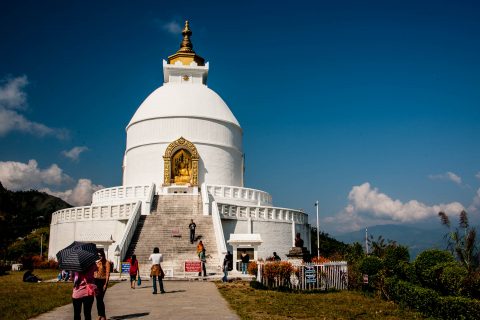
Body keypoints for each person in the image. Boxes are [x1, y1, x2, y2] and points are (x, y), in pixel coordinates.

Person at [94, 248, 111, 320]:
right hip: (96, 281)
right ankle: (100, 315)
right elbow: (94, 272)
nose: (99, 256)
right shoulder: (97, 262)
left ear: (103, 255)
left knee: (100, 299)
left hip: (103, 281)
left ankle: (103, 316)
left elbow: (107, 274)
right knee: (98, 299)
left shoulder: (106, 263)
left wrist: (105, 284)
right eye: (98, 255)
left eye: (100, 255)